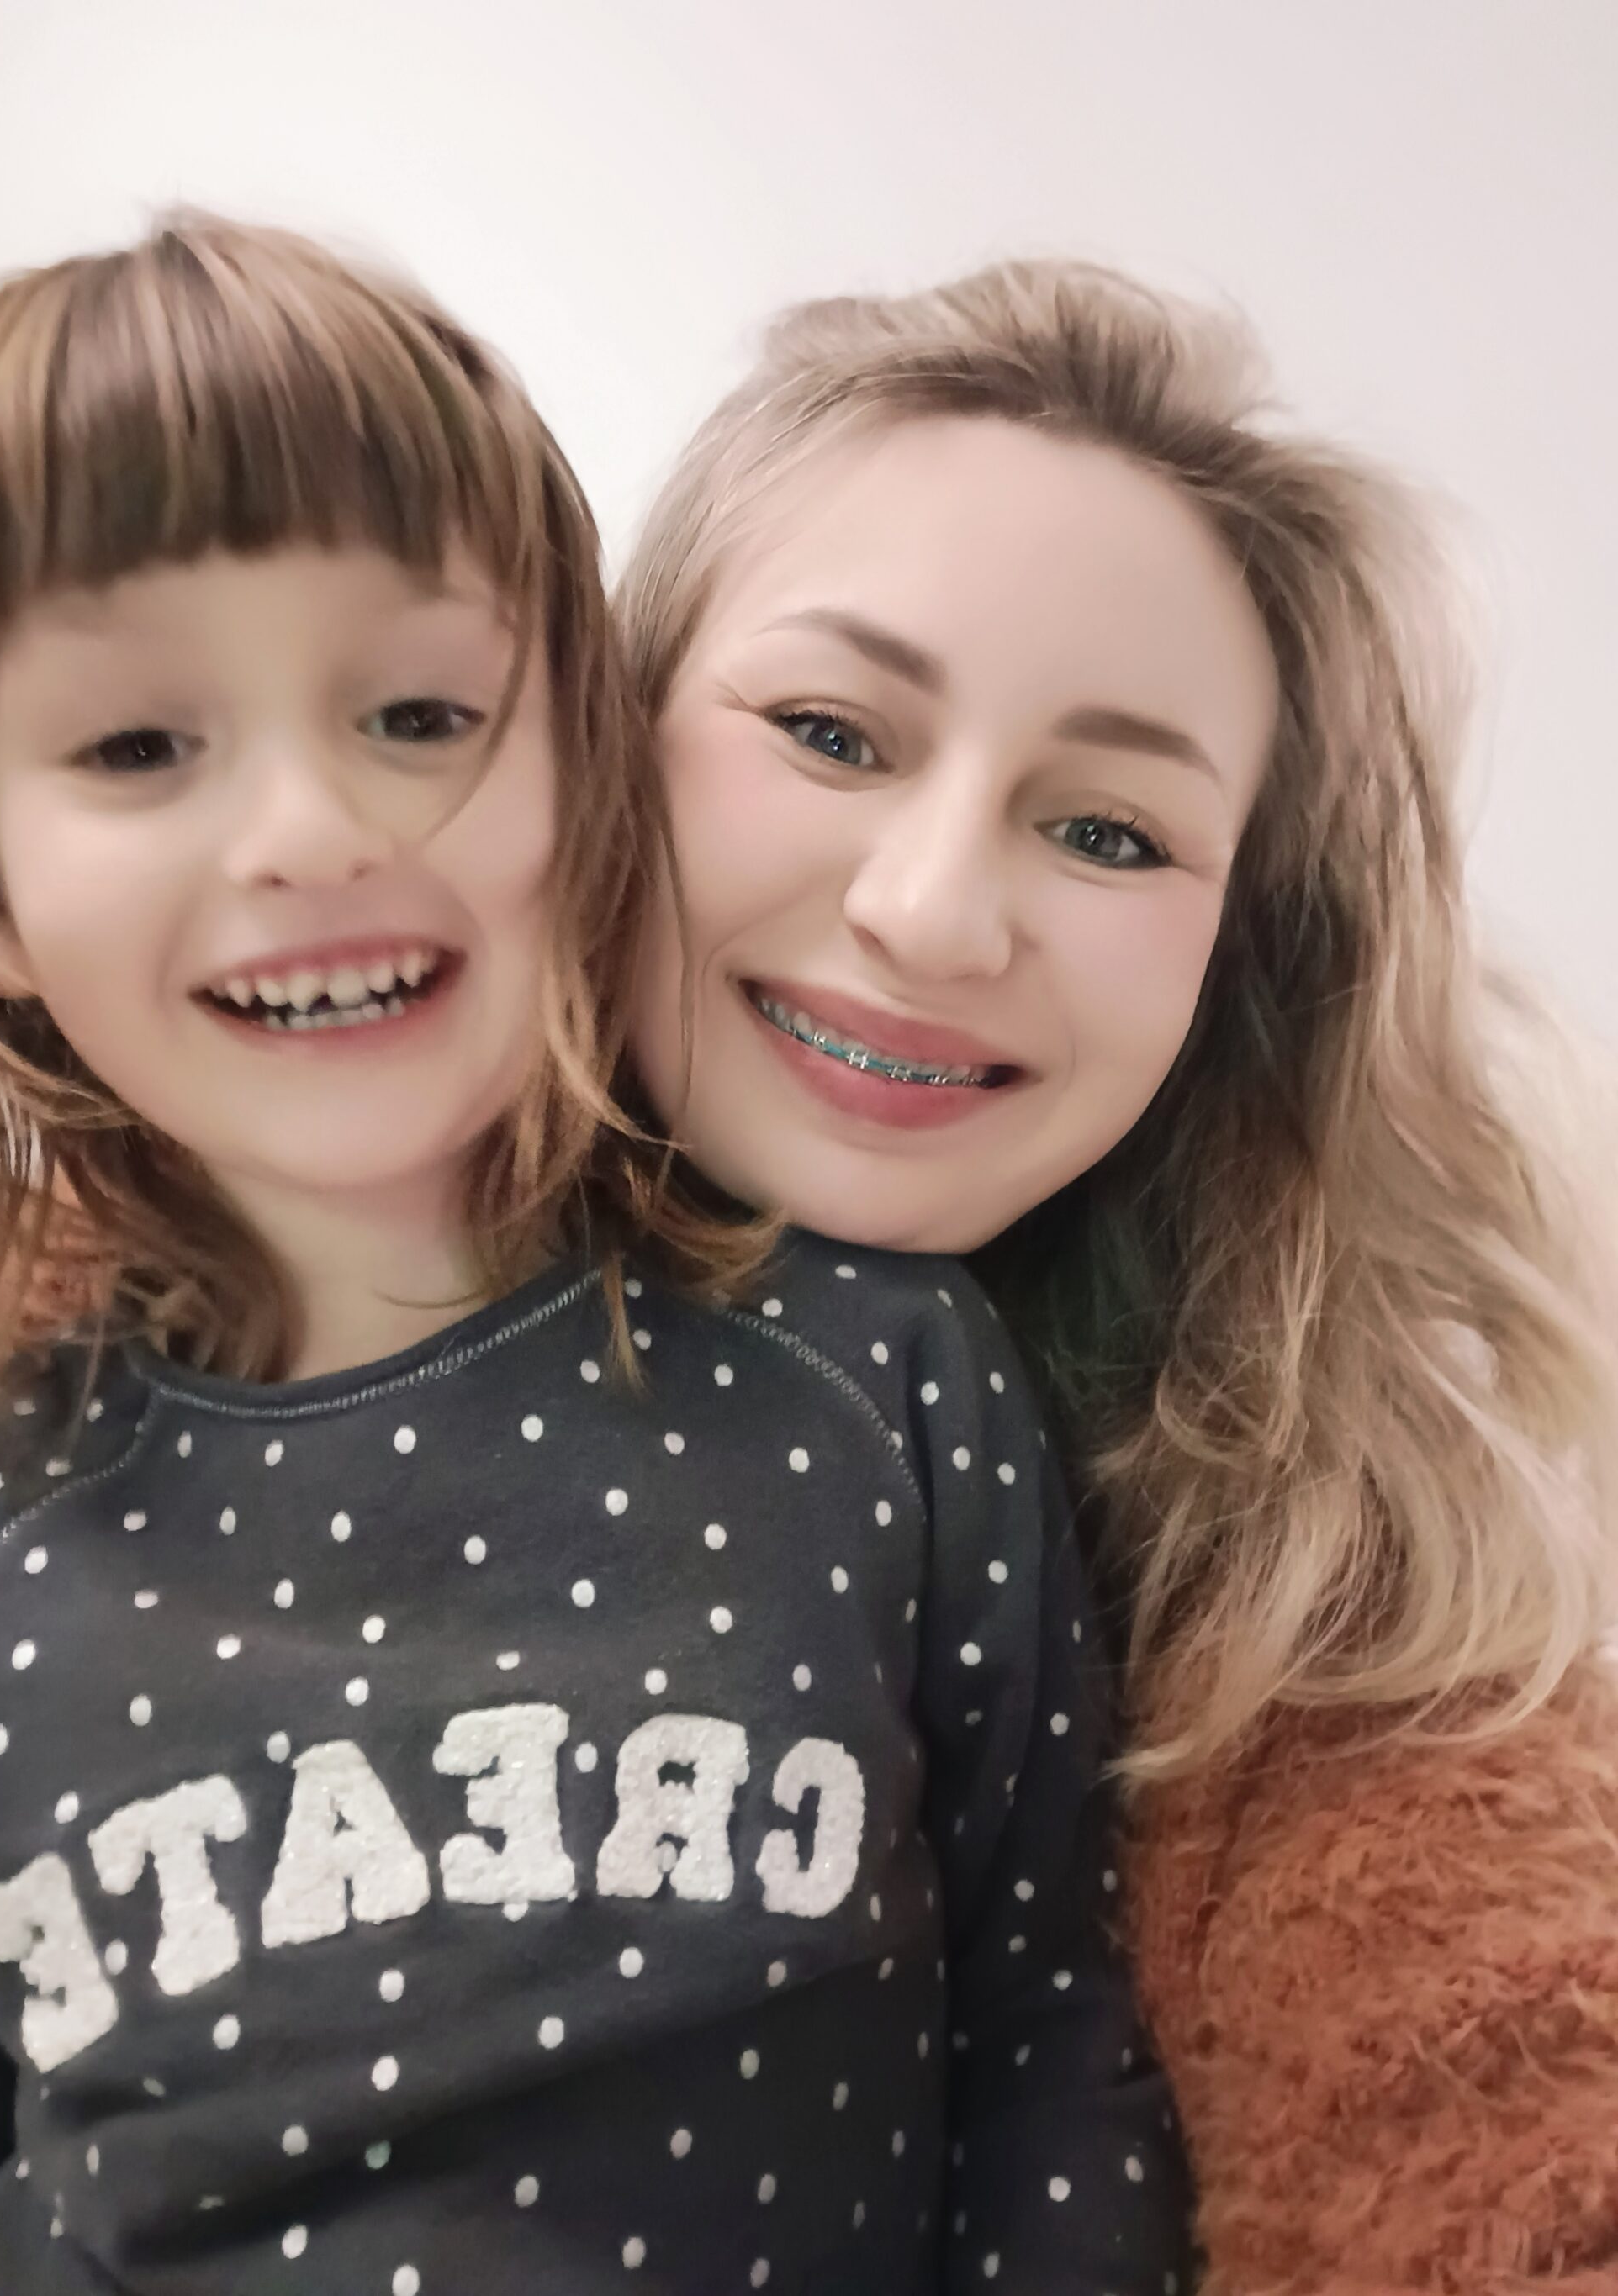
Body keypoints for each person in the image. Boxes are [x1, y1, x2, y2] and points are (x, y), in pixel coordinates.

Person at [0, 218, 1188, 2294]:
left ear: (588, 761)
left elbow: (1052, 2050)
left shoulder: (870, 1375)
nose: (310, 832)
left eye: (420, 711)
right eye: (139, 747)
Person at [616, 258, 1618, 2288]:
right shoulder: (118, 1353)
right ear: (598, 731)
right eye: (829, 731)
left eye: (1105, 833)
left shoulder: (1338, 1613)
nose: (931, 913)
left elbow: (1517, 2120)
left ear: (1243, 961)